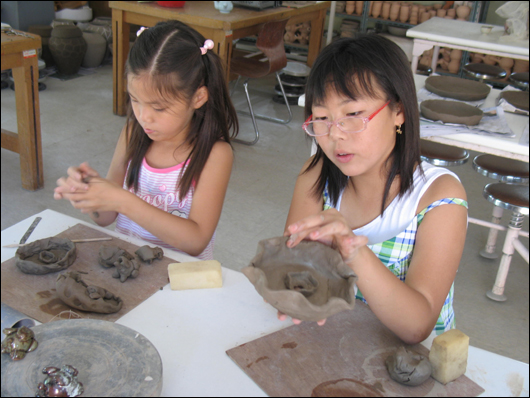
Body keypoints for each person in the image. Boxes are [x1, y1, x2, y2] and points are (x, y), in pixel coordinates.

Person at [282, 35, 468, 345]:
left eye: (353, 115)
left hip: (412, 368)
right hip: (339, 346)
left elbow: (417, 325)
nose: (335, 135)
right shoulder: (316, 176)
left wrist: (353, 251)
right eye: (322, 119)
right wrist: (296, 290)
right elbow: (298, 275)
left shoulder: (440, 197)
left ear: (399, 111)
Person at [54, 21, 238, 260]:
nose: (144, 116)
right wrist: (90, 194)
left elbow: (196, 240)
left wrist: (123, 201)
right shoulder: (132, 134)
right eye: (135, 99)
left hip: (180, 279)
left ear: (198, 97)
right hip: (129, 268)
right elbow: (107, 217)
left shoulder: (215, 154)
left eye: (159, 108)